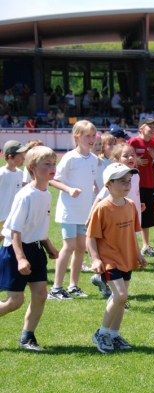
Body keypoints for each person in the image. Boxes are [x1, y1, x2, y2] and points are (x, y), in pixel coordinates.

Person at [0, 146, 59, 351]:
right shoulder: (25, 195)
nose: (53, 167)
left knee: (41, 294)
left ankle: (27, 338)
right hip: (16, 250)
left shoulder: (47, 194)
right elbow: (15, 230)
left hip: (35, 249)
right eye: (47, 164)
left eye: (54, 164)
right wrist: (21, 258)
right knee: (14, 301)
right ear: (32, 167)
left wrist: (49, 246)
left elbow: (39, 226)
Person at [88, 163, 147, 353]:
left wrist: (138, 254)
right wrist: (95, 259)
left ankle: (114, 334)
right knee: (121, 295)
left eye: (128, 181)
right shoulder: (102, 208)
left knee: (120, 299)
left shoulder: (130, 205)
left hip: (126, 258)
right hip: (109, 259)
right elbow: (91, 236)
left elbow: (133, 234)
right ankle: (102, 333)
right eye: (121, 181)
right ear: (108, 184)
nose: (127, 185)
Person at [48, 120, 99, 300]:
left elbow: (89, 178)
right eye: (88, 136)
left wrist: (94, 188)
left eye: (94, 135)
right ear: (77, 137)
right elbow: (52, 179)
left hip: (84, 212)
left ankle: (73, 286)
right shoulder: (69, 157)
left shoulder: (93, 159)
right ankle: (55, 288)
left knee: (80, 248)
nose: (92, 139)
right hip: (69, 211)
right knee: (68, 246)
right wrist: (69, 189)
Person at [128, 118, 154, 257]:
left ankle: (145, 245)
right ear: (141, 128)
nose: (153, 130)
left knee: (147, 215)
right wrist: (135, 160)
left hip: (150, 184)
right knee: (131, 214)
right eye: (150, 127)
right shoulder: (133, 142)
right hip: (134, 184)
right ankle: (130, 244)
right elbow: (122, 156)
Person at [0, 141, 29, 244]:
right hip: (1, 216)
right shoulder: (2, 173)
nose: (23, 159)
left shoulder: (20, 173)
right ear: (10, 157)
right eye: (20, 156)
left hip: (11, 216)